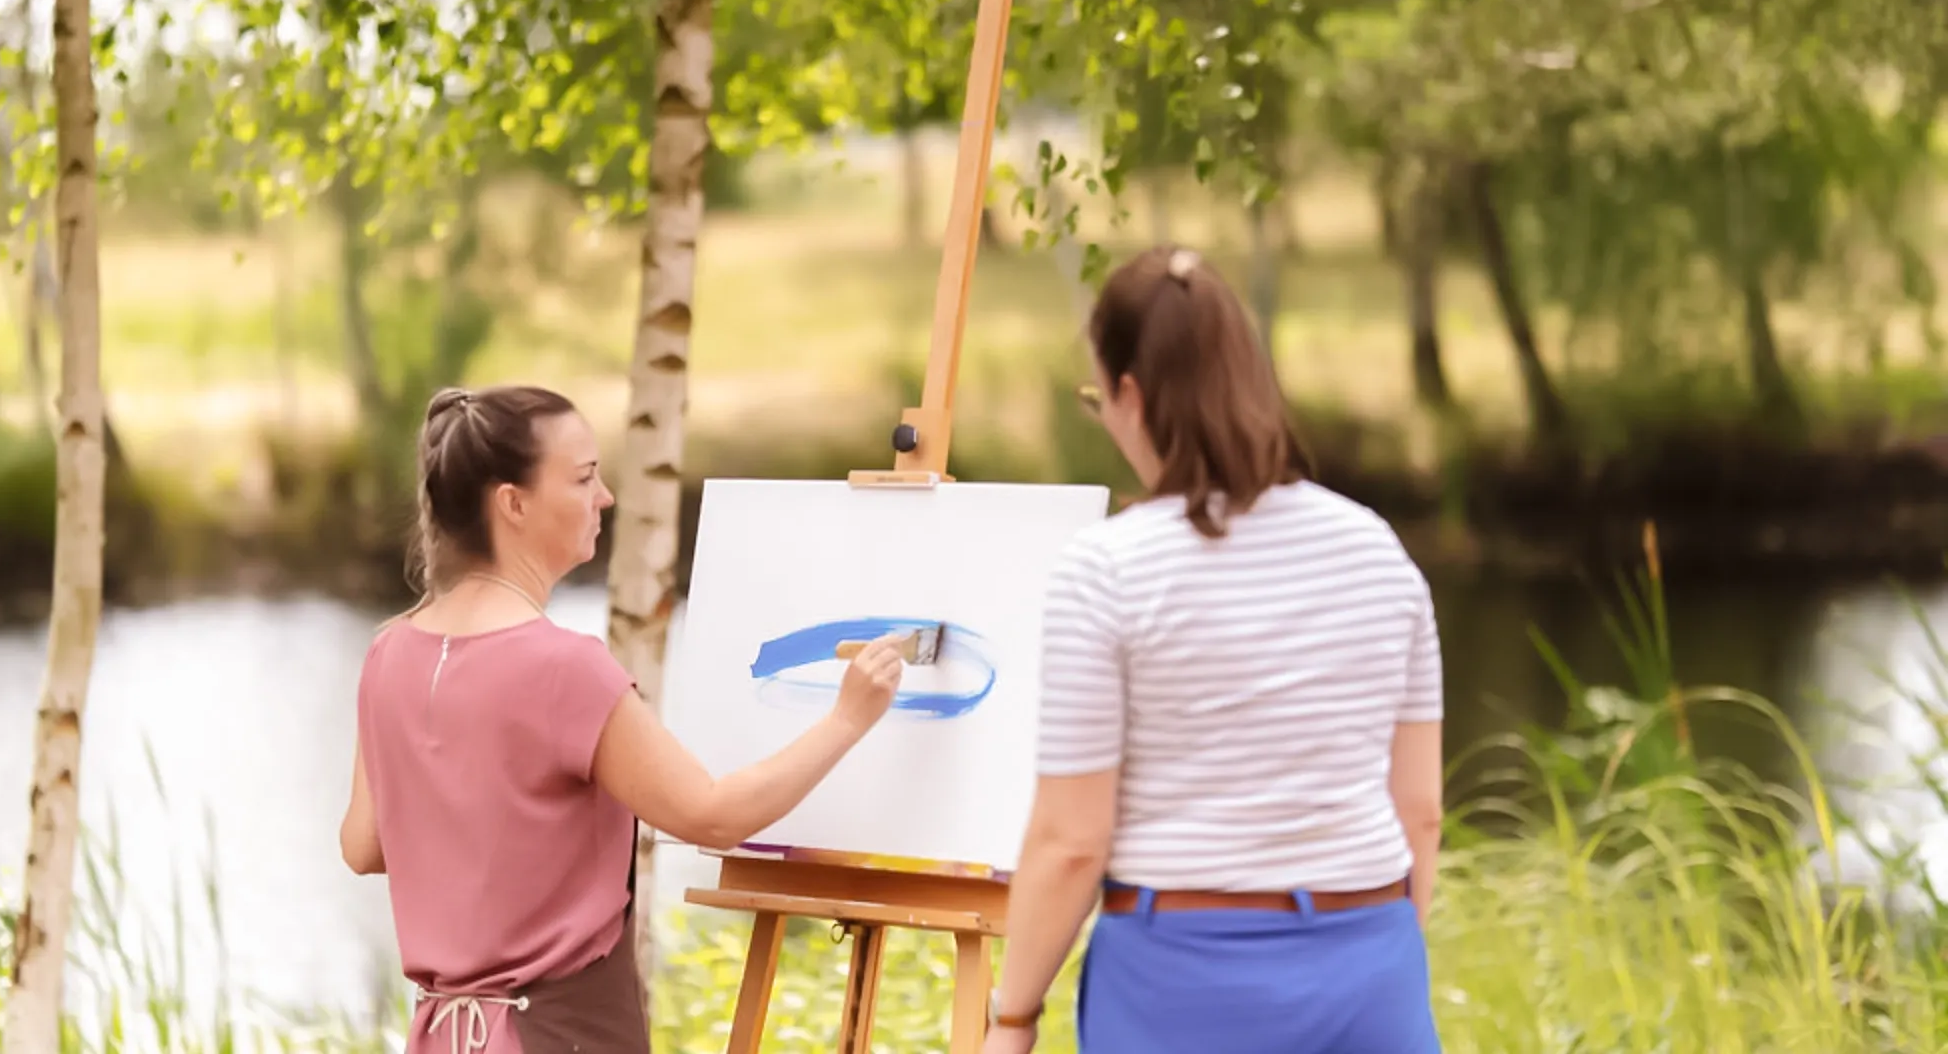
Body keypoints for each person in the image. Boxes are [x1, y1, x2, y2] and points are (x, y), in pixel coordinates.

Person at [338, 384, 909, 1054]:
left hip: (443, 1035)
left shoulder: (391, 653)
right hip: (556, 1034)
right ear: (512, 504)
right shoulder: (564, 669)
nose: (604, 497)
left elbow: (364, 846)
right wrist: (847, 717)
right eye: (583, 479)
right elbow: (714, 815)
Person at [981, 247, 1446, 1054]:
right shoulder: (1377, 551)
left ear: (1131, 394)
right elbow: (1421, 813)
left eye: (1100, 397)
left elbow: (1071, 841)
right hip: (1370, 966)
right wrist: (1380, 955)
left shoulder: (1108, 568)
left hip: (1181, 980)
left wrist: (1012, 1018)